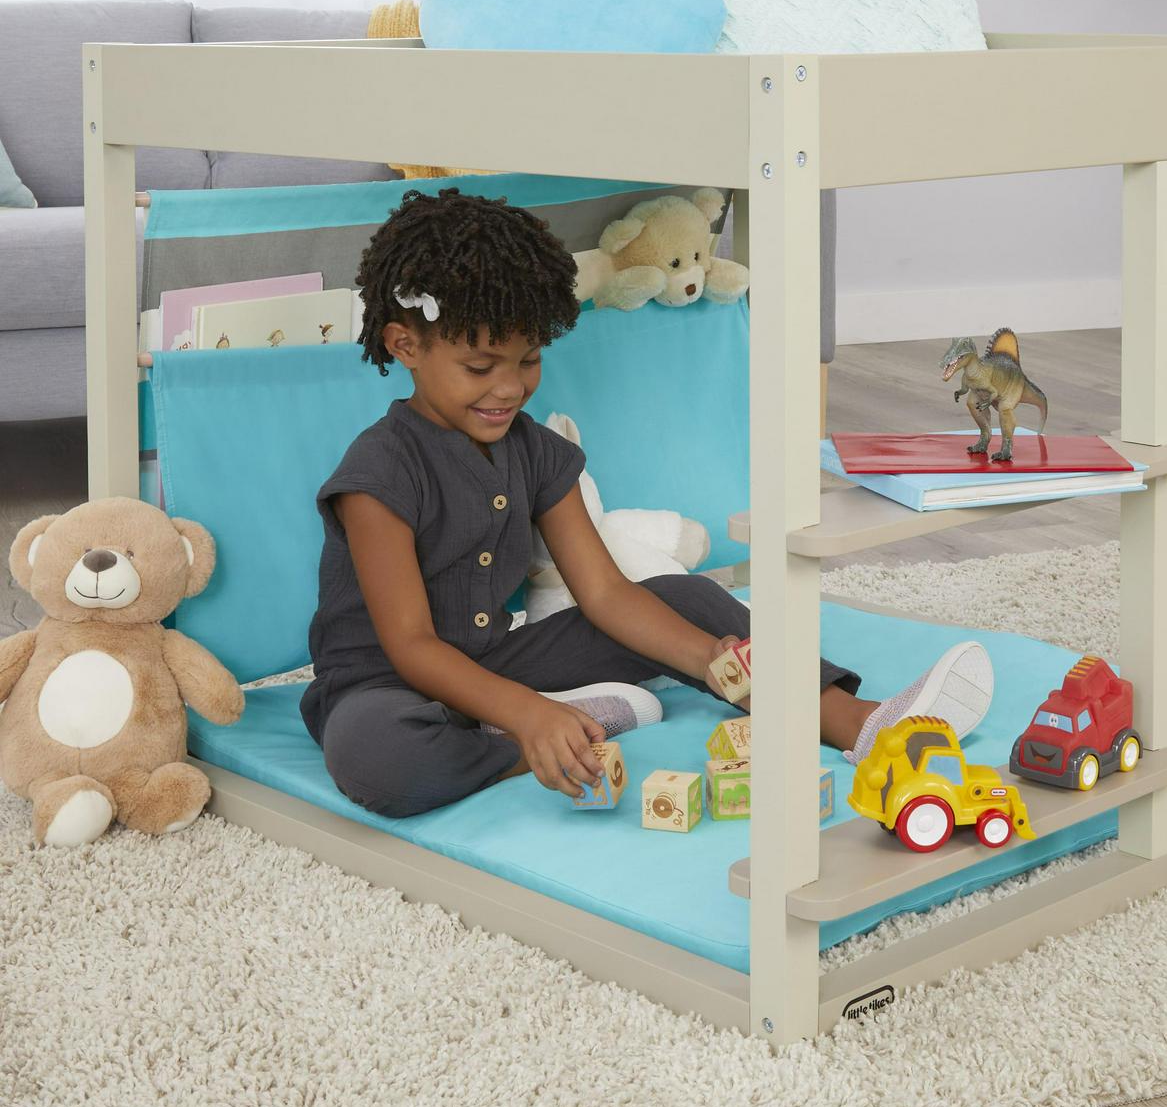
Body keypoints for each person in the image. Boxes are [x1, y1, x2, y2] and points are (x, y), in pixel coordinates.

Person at [299, 186, 994, 818]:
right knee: (378, 759)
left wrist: (710, 657)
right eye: (481, 367)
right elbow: (412, 646)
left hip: (497, 664)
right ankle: (533, 739)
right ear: (405, 344)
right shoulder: (379, 473)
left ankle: (856, 720)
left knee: (685, 598)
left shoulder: (536, 450)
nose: (509, 388)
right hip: (386, 688)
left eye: (529, 359)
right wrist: (528, 716)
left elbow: (605, 593)